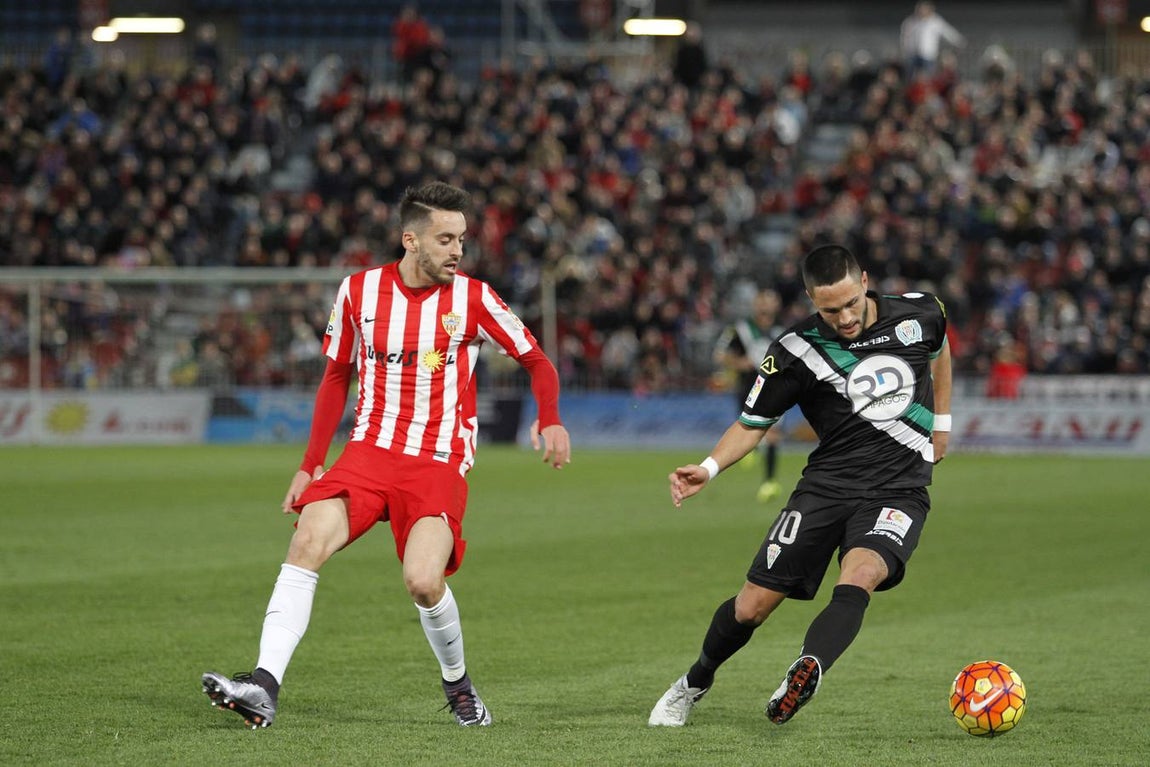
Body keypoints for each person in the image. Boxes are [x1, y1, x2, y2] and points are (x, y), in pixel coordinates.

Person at [202, 182, 572, 729]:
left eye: (462, 240)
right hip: (368, 453)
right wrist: (310, 463)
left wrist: (551, 416)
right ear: (410, 239)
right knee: (305, 540)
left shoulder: (473, 299)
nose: (457, 250)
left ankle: (459, 687)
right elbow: (335, 376)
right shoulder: (357, 292)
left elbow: (537, 360)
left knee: (423, 580)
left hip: (438, 457)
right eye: (445, 239)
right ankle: (263, 685)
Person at [649, 244, 951, 727]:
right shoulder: (796, 350)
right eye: (831, 309)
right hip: (826, 489)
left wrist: (943, 423)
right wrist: (708, 467)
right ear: (812, 299)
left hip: (898, 489)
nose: (846, 317)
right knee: (751, 607)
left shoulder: (920, 312)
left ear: (866, 281)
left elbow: (940, 350)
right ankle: (694, 682)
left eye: (852, 303)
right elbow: (753, 423)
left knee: (862, 574)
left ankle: (808, 666)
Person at [714, 288, 786, 503]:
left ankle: (769, 482)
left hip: (773, 389)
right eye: (761, 302)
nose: (765, 307)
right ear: (755, 305)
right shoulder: (741, 329)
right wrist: (739, 363)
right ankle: (750, 448)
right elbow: (719, 355)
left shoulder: (783, 331)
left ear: (776, 305)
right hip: (747, 390)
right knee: (748, 429)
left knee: (773, 434)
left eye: (769, 301)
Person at [900, 1, 965, 76]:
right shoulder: (910, 21)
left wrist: (959, 41)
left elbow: (948, 32)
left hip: (928, 55)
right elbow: (904, 38)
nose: (922, 11)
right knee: (911, 76)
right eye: (920, 8)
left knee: (928, 76)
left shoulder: (936, 22)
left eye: (924, 9)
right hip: (912, 55)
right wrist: (905, 51)